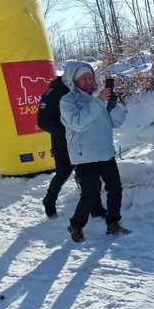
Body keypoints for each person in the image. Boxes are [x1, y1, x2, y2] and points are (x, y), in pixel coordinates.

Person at [60, 60, 131, 242]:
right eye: (83, 78)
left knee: (115, 188)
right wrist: (100, 102)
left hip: (105, 151)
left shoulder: (99, 98)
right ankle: (76, 225)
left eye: (90, 77)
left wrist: (113, 107)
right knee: (90, 193)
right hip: (84, 155)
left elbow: (117, 122)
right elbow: (78, 122)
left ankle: (113, 223)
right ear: (74, 82)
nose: (89, 81)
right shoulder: (67, 101)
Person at [38, 71, 107, 219]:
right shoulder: (55, 92)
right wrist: (67, 131)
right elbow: (42, 121)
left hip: (84, 140)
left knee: (91, 173)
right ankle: (49, 200)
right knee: (63, 173)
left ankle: (96, 207)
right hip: (62, 141)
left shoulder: (84, 88)